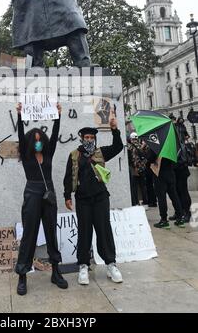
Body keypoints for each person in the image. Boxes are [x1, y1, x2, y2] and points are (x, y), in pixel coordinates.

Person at [15, 102, 68, 295]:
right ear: (30, 142)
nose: (38, 141)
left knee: (51, 232)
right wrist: (20, 115)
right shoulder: (27, 156)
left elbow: (54, 135)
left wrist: (58, 115)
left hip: (49, 193)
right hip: (32, 193)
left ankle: (56, 271)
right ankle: (22, 275)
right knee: (29, 233)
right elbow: (20, 135)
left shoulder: (48, 152)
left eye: (40, 139)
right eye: (34, 139)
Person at [63, 119, 123, 285]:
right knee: (84, 231)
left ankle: (111, 264)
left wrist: (114, 130)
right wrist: (67, 196)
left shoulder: (101, 152)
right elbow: (68, 176)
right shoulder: (74, 155)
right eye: (86, 137)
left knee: (104, 230)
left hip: (100, 198)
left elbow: (118, 147)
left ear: (94, 139)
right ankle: (83, 265)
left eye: (92, 137)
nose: (89, 139)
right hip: (82, 200)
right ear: (82, 138)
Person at [145, 148, 185, 229]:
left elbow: (150, 159)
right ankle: (180, 218)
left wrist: (145, 151)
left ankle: (164, 220)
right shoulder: (170, 146)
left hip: (160, 175)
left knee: (161, 197)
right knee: (174, 196)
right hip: (170, 173)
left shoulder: (156, 146)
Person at [127, 133, 148, 206]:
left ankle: (136, 202)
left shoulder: (130, 147)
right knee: (143, 186)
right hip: (142, 169)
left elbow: (131, 159)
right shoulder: (141, 146)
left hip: (134, 169)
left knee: (134, 187)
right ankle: (145, 202)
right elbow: (145, 158)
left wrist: (134, 167)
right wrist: (142, 166)